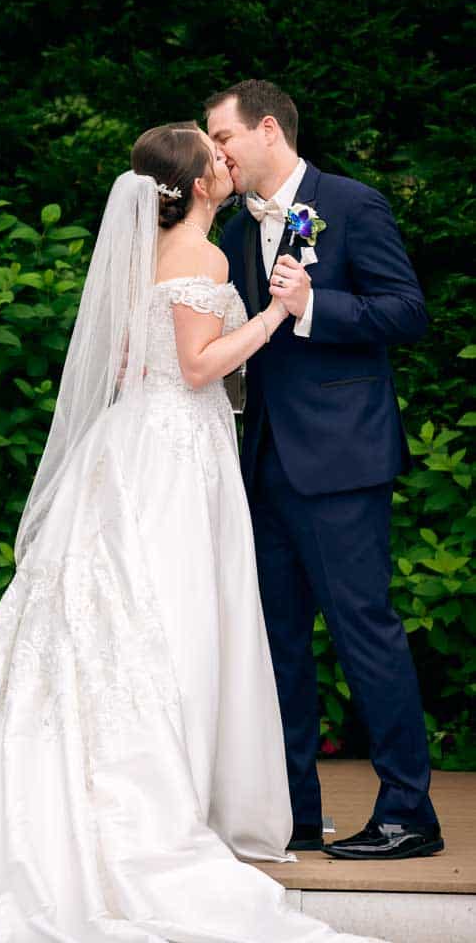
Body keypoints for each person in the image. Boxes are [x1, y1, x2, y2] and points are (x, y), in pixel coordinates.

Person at [0, 122, 387, 943]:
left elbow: (133, 365)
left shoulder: (142, 254)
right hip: (171, 454)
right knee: (161, 617)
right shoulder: (203, 259)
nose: (226, 159)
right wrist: (279, 312)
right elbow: (201, 367)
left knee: (102, 617)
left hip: (134, 444)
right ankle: (142, 800)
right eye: (214, 156)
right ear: (197, 184)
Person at [206, 79, 442, 860]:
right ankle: (293, 814)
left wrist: (316, 305)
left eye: (223, 138)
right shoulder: (239, 231)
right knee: (274, 646)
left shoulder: (352, 202)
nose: (217, 154)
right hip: (264, 462)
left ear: (266, 129)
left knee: (364, 634)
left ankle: (409, 813)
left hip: (341, 462)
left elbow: (405, 312)